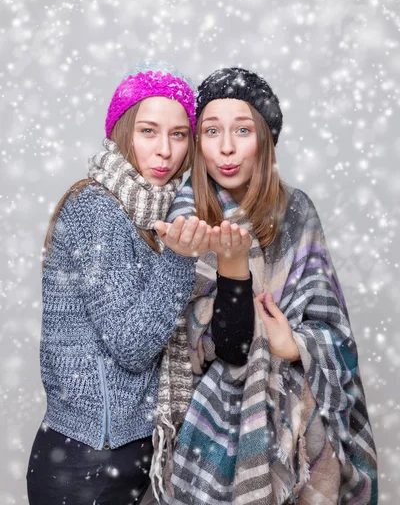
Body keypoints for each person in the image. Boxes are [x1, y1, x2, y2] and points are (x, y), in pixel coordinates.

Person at [151, 67, 378, 504]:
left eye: (243, 130)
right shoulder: (184, 222)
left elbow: (337, 332)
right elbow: (208, 347)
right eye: (212, 131)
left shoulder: (295, 212)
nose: (227, 148)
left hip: (301, 425)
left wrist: (295, 346)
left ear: (265, 140)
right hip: (208, 427)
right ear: (197, 141)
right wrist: (233, 275)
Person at [26, 62, 214, 505]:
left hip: (133, 453)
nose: (164, 151)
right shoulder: (97, 208)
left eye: (178, 134)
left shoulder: (154, 214)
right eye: (148, 131)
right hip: (88, 460)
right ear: (122, 131)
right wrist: (180, 260)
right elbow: (131, 343)